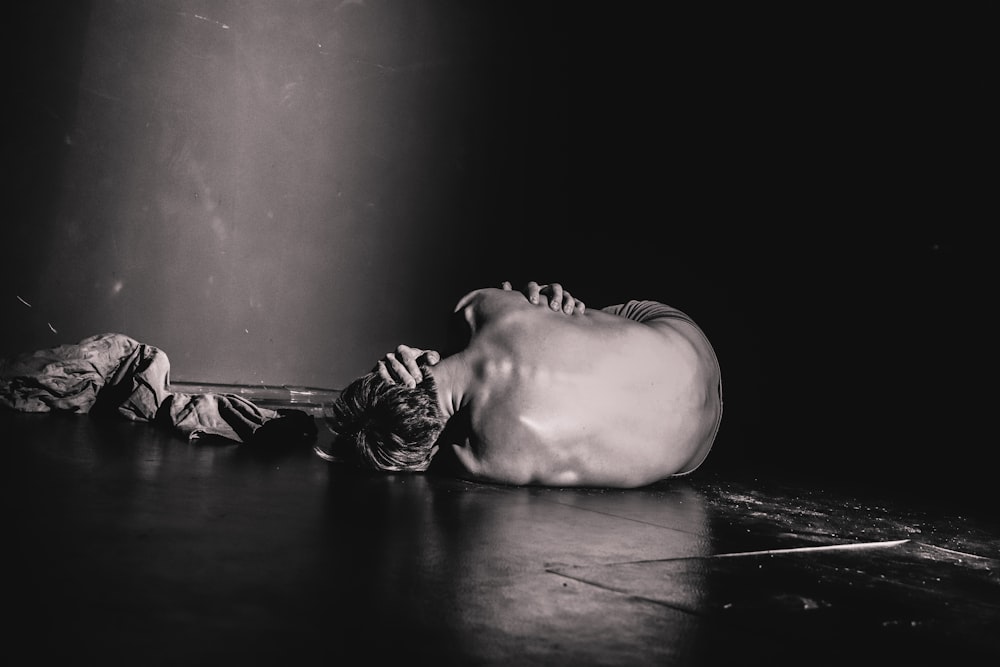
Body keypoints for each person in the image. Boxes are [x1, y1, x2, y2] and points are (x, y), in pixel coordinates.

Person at [316, 281, 723, 488]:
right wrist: (548, 307)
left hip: (691, 452)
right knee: (561, 311)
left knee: (556, 316)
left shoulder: (480, 461)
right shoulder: (475, 305)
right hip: (690, 339)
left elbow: (418, 457)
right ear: (414, 359)